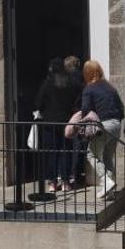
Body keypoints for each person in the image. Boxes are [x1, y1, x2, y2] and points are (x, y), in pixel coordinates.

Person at [80, 60, 125, 199]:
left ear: (87, 74)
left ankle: (106, 181)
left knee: (91, 154)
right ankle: (109, 192)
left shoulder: (89, 88)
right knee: (107, 157)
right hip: (117, 124)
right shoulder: (110, 87)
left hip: (104, 125)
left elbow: (86, 110)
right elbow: (121, 109)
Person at [34, 58, 80, 192]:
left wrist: (43, 111)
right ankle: (66, 182)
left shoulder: (47, 84)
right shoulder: (71, 84)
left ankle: (52, 183)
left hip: (50, 124)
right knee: (66, 152)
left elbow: (38, 103)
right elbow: (78, 97)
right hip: (66, 122)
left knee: (51, 153)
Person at [64, 56, 86, 184]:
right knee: (78, 145)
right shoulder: (82, 79)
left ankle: (69, 174)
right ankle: (75, 173)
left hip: (70, 114)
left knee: (68, 146)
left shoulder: (66, 80)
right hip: (79, 114)